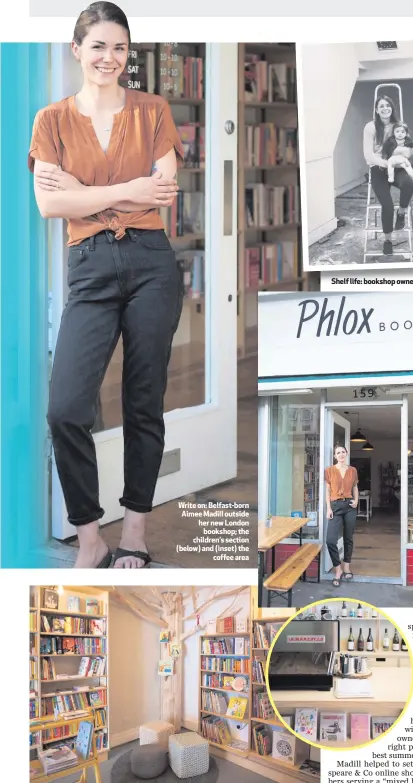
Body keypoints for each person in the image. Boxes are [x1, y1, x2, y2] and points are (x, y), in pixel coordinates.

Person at [28, 2, 184, 569]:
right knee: (66, 408)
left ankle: (136, 531)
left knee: (144, 401)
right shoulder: (51, 121)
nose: (110, 58)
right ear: (77, 50)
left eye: (120, 47)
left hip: (151, 264)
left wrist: (83, 190)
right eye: (98, 46)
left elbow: (162, 193)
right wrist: (129, 192)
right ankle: (90, 533)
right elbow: (50, 204)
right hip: (89, 267)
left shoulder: (153, 110)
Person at [363, 94, 413, 256]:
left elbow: (410, 148)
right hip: (379, 168)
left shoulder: (397, 126)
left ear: (392, 109)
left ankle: (401, 212)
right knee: (386, 205)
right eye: (381, 106)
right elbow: (368, 155)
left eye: (388, 105)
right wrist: (386, 163)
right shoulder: (370, 127)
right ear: (377, 110)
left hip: (397, 166)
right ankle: (388, 240)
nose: (385, 108)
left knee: (409, 184)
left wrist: (405, 153)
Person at [324, 445, 359, 587]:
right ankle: (337, 568)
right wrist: (328, 509)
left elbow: (355, 487)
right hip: (335, 507)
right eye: (338, 453)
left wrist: (356, 501)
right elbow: (327, 491)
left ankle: (346, 567)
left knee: (348, 537)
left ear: (347, 453)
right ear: (335, 456)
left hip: (350, 506)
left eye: (343, 452)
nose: (341, 454)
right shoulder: (329, 471)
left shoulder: (353, 470)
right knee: (330, 540)